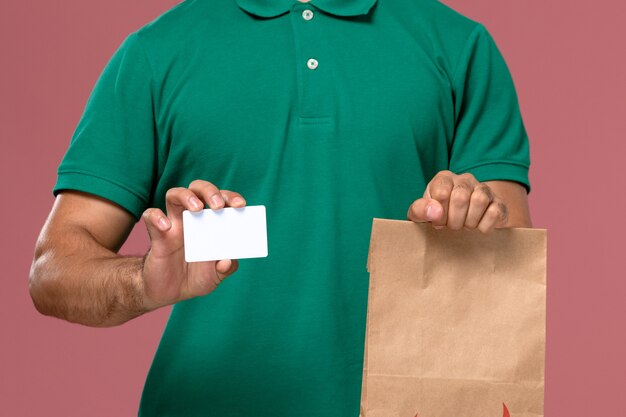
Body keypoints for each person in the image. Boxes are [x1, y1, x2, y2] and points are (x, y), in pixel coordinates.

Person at [29, 0, 533, 415]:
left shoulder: (459, 45)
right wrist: (143, 281)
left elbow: (509, 257)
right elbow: (54, 270)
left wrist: (473, 214)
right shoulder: (156, 53)